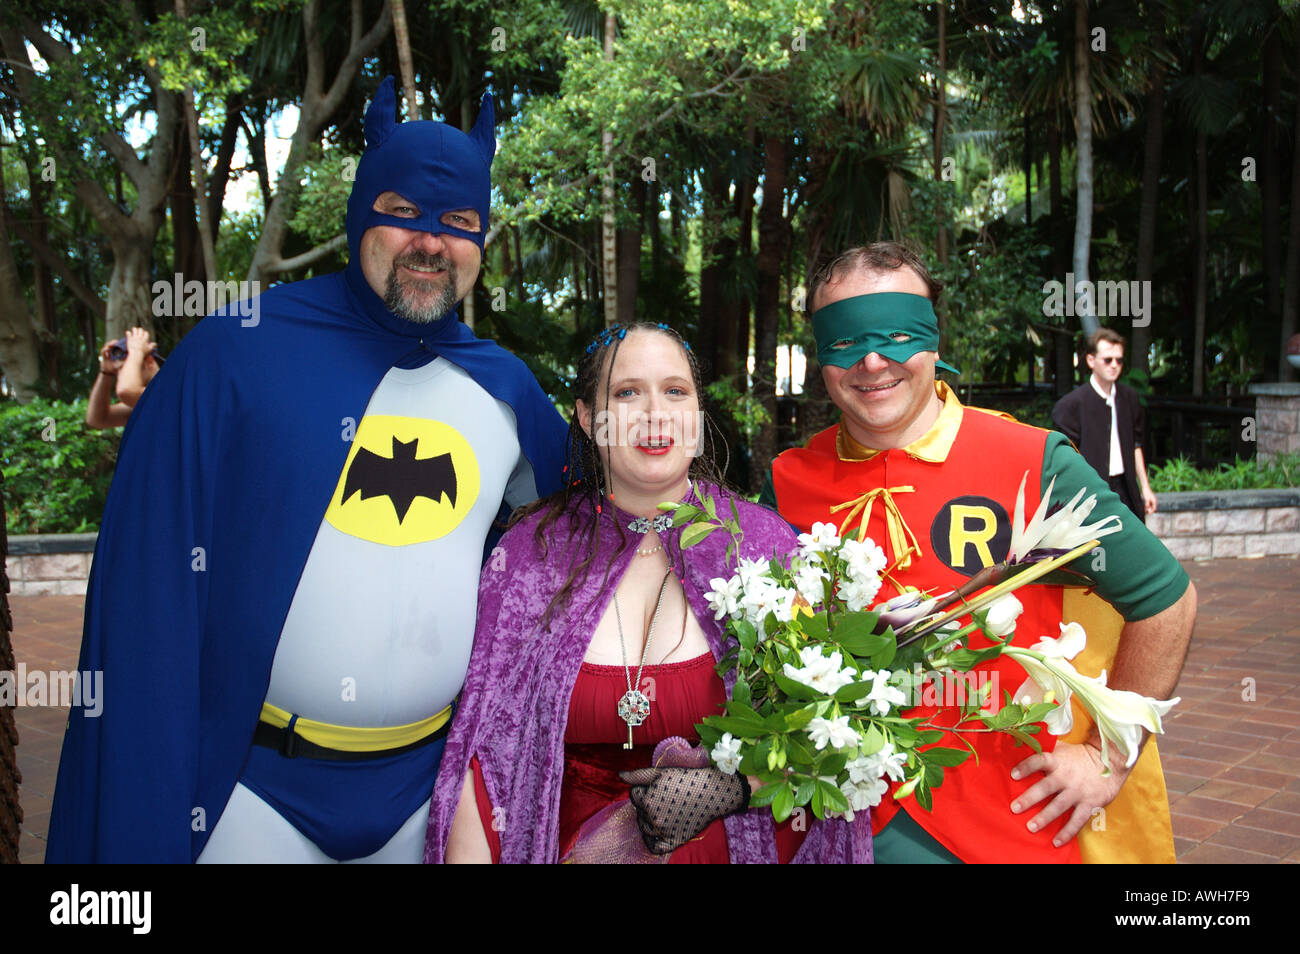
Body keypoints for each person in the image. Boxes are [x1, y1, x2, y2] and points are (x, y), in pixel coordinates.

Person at [47, 76, 569, 863]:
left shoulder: (507, 390)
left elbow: (588, 545)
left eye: (459, 222)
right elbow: (147, 576)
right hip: (255, 791)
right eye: (403, 214)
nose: (431, 242)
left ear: (482, 241)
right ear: (362, 214)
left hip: (426, 794)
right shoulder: (238, 353)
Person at [759, 242, 1196, 864]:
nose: (873, 360)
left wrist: (1107, 754)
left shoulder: (1031, 461)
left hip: (1010, 826)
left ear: (935, 340)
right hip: (836, 828)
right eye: (844, 341)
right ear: (819, 359)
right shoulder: (786, 482)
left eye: (896, 332)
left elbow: (1166, 600)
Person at [425, 322, 873, 863]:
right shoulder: (528, 558)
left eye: (675, 391)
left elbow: (828, 737)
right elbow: (484, 751)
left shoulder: (768, 548)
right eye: (626, 392)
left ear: (697, 418)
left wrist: (737, 787)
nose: (655, 414)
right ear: (589, 419)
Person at [1052, 328, 1158, 521]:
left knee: (1131, 546)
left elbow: (1136, 445)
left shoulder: (1129, 398)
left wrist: (1146, 488)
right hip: (1089, 494)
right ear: (1091, 361)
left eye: (1119, 360)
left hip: (1125, 489)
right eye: (1108, 360)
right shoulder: (1070, 406)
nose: (1114, 365)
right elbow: (1065, 460)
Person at [84, 327, 161, 429]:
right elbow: (97, 419)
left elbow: (127, 391)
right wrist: (106, 373)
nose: (121, 376)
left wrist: (136, 351)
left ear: (149, 362)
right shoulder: (141, 403)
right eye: (118, 372)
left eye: (124, 369)